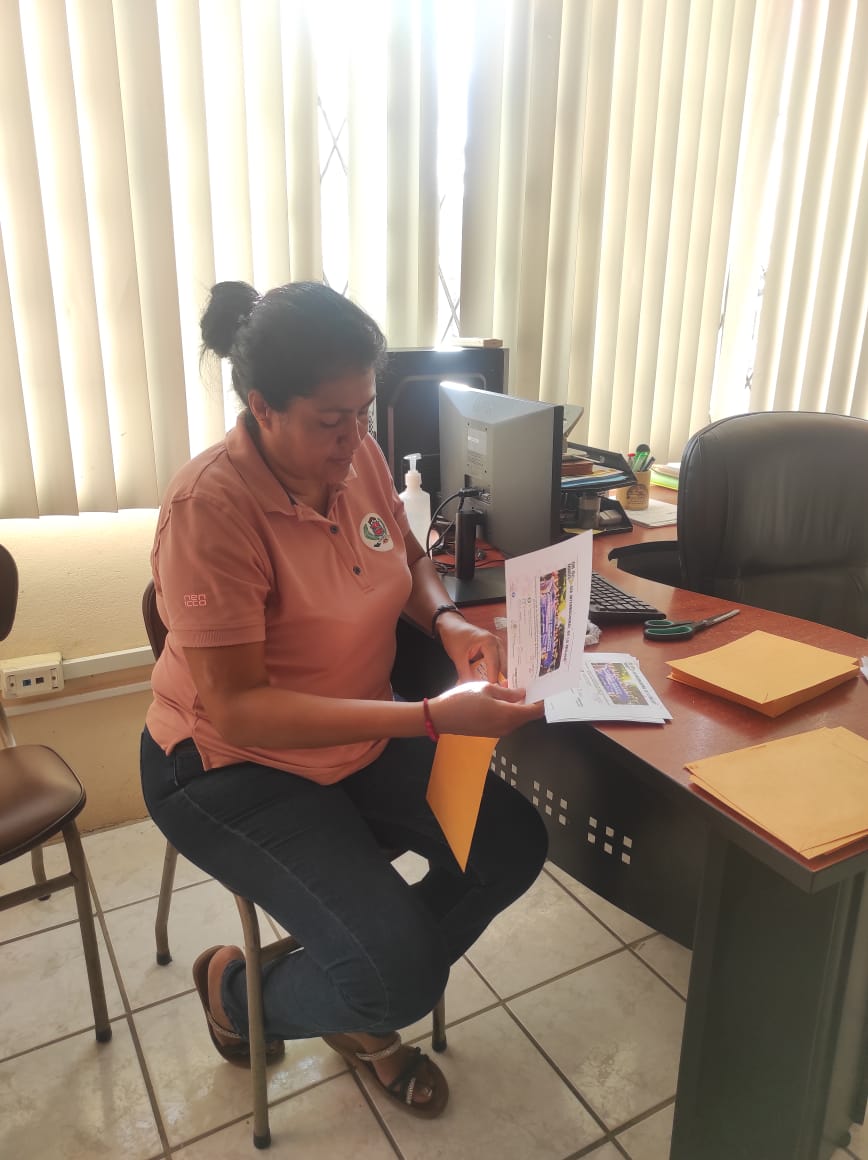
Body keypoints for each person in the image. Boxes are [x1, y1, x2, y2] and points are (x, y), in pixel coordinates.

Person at [139, 280, 548, 1118]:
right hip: (229, 768)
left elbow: (408, 559)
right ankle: (240, 994)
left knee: (512, 844)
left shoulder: (353, 454)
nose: (356, 438)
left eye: (364, 412)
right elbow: (240, 707)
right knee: (397, 974)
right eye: (332, 420)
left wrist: (448, 627)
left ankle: (357, 984)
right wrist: (429, 716)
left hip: (357, 738)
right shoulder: (208, 509)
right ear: (262, 407)